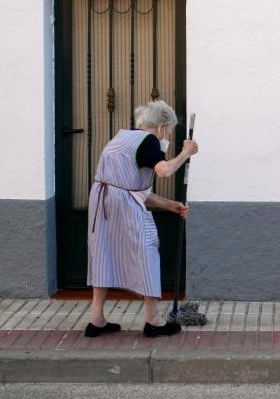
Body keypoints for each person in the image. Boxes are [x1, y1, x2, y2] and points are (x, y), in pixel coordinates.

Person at [85, 100, 199, 338]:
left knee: (103, 253)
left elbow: (131, 188)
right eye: (168, 131)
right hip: (122, 206)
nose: (166, 135)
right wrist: (185, 154)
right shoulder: (149, 142)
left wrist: (171, 206)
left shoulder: (121, 138)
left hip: (102, 201)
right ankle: (154, 322)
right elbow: (165, 171)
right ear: (161, 127)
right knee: (147, 251)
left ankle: (96, 321)